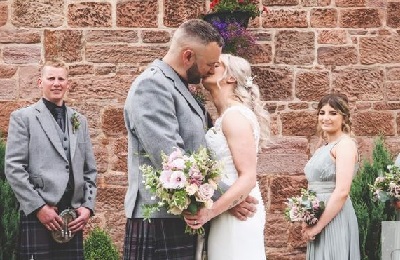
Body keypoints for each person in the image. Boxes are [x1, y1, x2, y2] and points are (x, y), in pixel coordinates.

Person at [123, 19, 259, 260]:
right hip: (158, 222)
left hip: (182, 215)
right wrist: (227, 200)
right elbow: (173, 160)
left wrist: (223, 202)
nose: (211, 69)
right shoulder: (153, 86)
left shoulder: (181, 87)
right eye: (209, 64)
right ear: (187, 56)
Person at [4, 60, 98, 259]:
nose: (56, 83)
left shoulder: (80, 121)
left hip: (72, 216)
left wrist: (87, 206)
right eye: (51, 78)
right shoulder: (23, 118)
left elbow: (89, 170)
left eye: (61, 79)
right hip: (40, 213)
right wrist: (39, 208)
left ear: (68, 84)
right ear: (40, 82)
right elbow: (14, 168)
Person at [184, 54, 269, 260]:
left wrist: (210, 211)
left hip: (239, 215)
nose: (210, 66)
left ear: (231, 77)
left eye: (218, 64)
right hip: (227, 209)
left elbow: (248, 177)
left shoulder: (235, 117)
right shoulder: (224, 117)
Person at [301, 93, 360, 259]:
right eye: (322, 112)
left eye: (333, 113)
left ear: (344, 117)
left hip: (335, 217)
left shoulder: (345, 145)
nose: (325, 118)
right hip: (317, 215)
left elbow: (342, 191)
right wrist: (306, 216)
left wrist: (318, 226)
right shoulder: (323, 147)